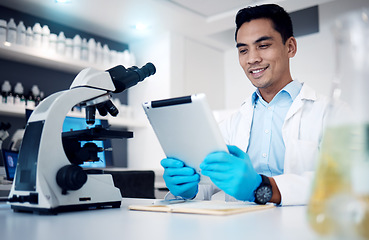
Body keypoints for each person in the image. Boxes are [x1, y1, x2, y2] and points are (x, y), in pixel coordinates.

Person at [161, 4, 330, 206]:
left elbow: (347, 181)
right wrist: (188, 188)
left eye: (263, 45)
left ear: (290, 47)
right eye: (243, 50)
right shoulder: (231, 124)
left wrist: (263, 187)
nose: (252, 59)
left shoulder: (328, 112)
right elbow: (208, 183)